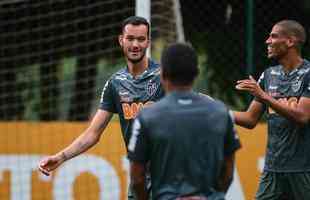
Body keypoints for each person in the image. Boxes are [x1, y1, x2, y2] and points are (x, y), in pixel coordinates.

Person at [38, 16, 164, 199]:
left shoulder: (164, 76)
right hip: (140, 178)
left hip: (169, 176)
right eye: (130, 38)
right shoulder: (115, 83)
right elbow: (92, 134)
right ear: (121, 40)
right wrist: (61, 157)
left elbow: (193, 101)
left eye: (141, 39)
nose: (135, 44)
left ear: (148, 42)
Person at [127, 43, 241, 200]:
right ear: (196, 73)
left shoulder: (147, 116)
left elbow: (137, 178)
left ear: (163, 74)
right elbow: (228, 172)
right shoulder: (221, 112)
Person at [234, 20, 310, 200]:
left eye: (273, 36)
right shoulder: (269, 75)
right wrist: (216, 108)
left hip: (303, 170)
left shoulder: (308, 73)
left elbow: (303, 116)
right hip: (272, 170)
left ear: (290, 42)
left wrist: (265, 96)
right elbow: (250, 119)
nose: (268, 41)